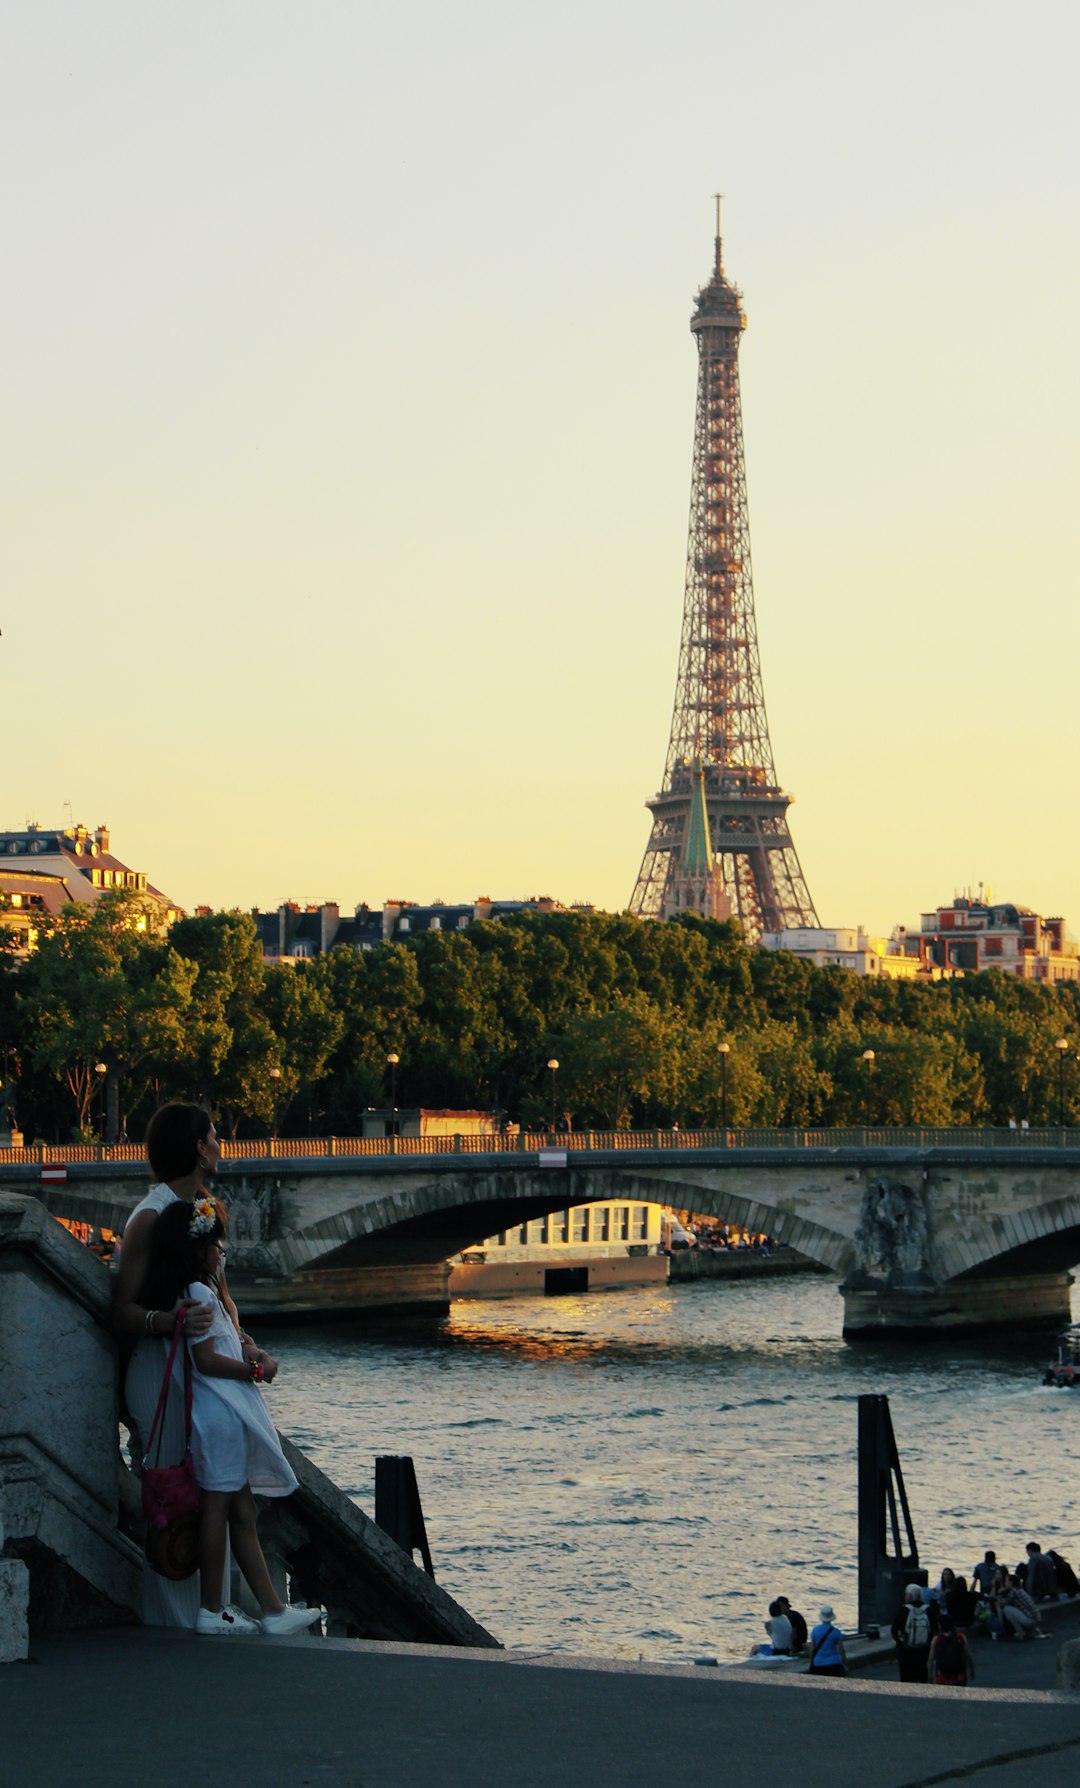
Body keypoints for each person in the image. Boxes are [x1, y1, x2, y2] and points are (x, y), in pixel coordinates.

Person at [111, 1103, 270, 1627]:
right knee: (174, 1499)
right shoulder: (150, 1218)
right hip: (160, 1370)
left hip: (201, 1373)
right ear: (199, 1148)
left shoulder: (203, 1207)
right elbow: (122, 1310)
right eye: (216, 1136)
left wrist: (243, 1341)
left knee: (210, 1493)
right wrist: (167, 1319)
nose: (222, 1144)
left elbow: (222, 1298)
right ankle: (176, 1627)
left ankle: (212, 1615)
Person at [141, 1198, 320, 1637]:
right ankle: (211, 1608)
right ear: (200, 1249)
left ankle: (272, 1610)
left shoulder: (203, 1292)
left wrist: (249, 1349)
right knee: (219, 1511)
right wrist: (256, 1370)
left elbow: (222, 1345)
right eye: (218, 1244)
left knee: (240, 1511)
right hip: (217, 1416)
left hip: (221, 1416)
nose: (222, 1252)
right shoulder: (198, 1293)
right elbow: (206, 1361)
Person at [892, 1583, 933, 1684]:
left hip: (907, 1651)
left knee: (906, 1678)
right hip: (924, 1650)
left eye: (906, 1594)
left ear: (910, 1596)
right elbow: (934, 1629)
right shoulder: (928, 1610)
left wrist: (900, 1643)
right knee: (923, 1675)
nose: (905, 1596)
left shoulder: (904, 1610)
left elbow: (894, 1629)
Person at [928, 1615, 975, 1686]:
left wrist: (930, 1676)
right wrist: (972, 1670)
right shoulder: (960, 1637)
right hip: (959, 1676)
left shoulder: (936, 1639)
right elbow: (968, 1655)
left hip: (943, 1676)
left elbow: (931, 1659)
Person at [807, 1604, 847, 1676]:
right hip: (834, 1663)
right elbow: (841, 1651)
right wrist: (844, 1664)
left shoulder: (815, 1630)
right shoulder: (836, 1632)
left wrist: (811, 1661)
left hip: (818, 1663)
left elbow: (812, 1648)